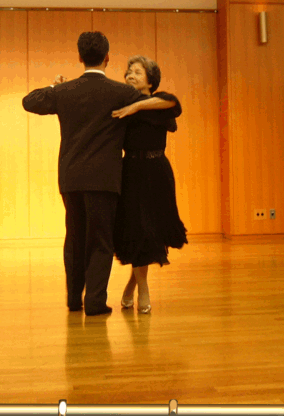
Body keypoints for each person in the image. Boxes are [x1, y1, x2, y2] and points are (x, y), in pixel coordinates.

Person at [22, 32, 174, 317]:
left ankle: (73, 299)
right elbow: (169, 102)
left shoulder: (65, 91)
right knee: (100, 241)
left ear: (80, 57)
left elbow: (30, 101)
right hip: (104, 179)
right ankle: (94, 302)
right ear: (107, 58)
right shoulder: (120, 92)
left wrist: (54, 86)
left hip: (70, 177)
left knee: (74, 238)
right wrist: (138, 104)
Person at [110, 56, 188, 314]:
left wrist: (137, 107)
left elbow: (174, 102)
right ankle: (143, 288)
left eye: (137, 72)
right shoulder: (121, 103)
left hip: (157, 172)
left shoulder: (160, 104)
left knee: (152, 232)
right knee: (137, 230)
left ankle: (132, 285)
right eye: (128, 72)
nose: (130, 75)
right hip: (131, 172)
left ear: (150, 80)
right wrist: (131, 107)